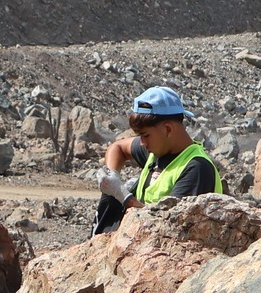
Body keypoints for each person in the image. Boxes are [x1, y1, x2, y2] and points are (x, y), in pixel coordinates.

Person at [94, 87, 222, 234]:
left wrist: (123, 196)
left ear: (168, 129)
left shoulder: (197, 169)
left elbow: (168, 228)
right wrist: (113, 175)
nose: (142, 143)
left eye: (145, 135)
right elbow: (117, 148)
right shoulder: (158, 149)